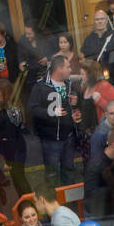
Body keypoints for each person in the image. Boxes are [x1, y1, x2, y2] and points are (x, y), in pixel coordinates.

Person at [29, 55, 77, 185]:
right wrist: (50, 112)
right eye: (68, 67)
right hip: (50, 140)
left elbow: (74, 108)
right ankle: (55, 202)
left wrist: (75, 103)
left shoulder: (69, 84)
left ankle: (71, 202)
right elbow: (33, 109)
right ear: (59, 69)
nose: (70, 70)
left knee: (69, 170)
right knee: (52, 174)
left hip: (68, 136)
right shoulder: (40, 86)